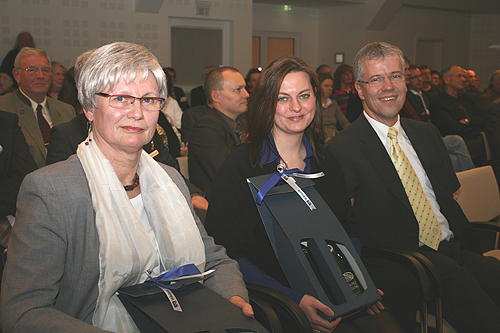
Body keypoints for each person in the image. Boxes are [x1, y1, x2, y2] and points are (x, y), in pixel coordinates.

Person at [1, 42, 252, 333]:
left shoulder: (169, 180)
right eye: (121, 98)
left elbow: (215, 260)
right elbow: (22, 311)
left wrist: (232, 301)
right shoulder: (51, 191)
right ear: (89, 107)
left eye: (148, 100)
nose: (137, 113)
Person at [205, 56, 403, 333]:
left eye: (304, 95)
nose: (296, 107)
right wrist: (294, 301)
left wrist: (354, 282)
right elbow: (230, 254)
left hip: (336, 292)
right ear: (265, 104)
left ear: (316, 100)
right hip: (277, 302)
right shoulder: (240, 168)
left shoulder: (326, 162)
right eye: (282, 98)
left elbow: (347, 228)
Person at [327, 41, 500, 333]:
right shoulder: (342, 149)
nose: (388, 86)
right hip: (405, 262)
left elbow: (449, 195)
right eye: (376, 79)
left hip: (454, 249)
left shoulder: (427, 133)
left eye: (395, 76)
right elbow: (345, 227)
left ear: (406, 81)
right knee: (483, 315)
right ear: (359, 89)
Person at [0, 47, 75, 168]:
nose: (40, 76)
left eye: (45, 70)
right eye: (32, 70)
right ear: (17, 75)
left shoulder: (66, 110)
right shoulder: (4, 108)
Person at [188, 66, 249, 196]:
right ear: (216, 96)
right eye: (238, 90)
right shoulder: (206, 128)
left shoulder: (243, 122)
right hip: (221, 204)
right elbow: (229, 175)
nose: (246, 94)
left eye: (244, 88)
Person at [429, 65, 487, 166]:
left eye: (464, 76)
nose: (464, 79)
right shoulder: (438, 103)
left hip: (478, 142)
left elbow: (483, 120)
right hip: (460, 145)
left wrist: (468, 122)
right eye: (459, 76)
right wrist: (474, 125)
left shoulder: (469, 99)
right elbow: (452, 128)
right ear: (446, 79)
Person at [318, 72, 350, 141]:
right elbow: (312, 128)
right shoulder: (313, 104)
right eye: (326, 86)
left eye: (331, 86)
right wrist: (325, 136)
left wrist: (353, 132)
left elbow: (344, 122)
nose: (330, 88)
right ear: (318, 87)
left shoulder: (333, 103)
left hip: (334, 136)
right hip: (319, 138)